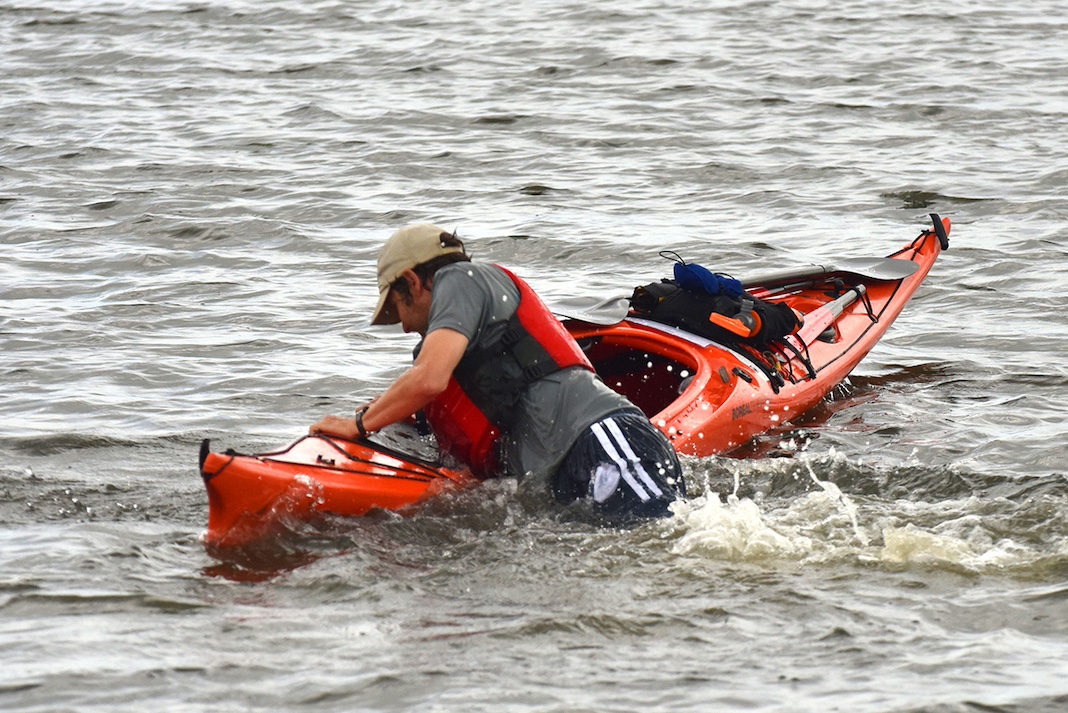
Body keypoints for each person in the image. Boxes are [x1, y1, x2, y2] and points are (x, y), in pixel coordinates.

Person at [310, 223, 685, 520]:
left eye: (397, 310)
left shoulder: (460, 279)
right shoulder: (469, 342)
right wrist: (401, 413)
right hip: (561, 474)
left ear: (411, 281)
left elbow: (428, 378)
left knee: (668, 548)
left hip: (600, 439)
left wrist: (359, 425)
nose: (405, 328)